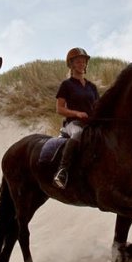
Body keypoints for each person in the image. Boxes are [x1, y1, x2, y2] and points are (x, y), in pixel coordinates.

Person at [53, 47, 99, 189]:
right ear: (71, 65)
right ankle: (62, 171)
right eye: (78, 62)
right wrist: (77, 114)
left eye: (84, 61)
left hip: (91, 123)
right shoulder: (66, 85)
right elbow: (59, 109)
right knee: (78, 134)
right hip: (73, 123)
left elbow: (98, 106)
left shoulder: (92, 86)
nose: (82, 64)